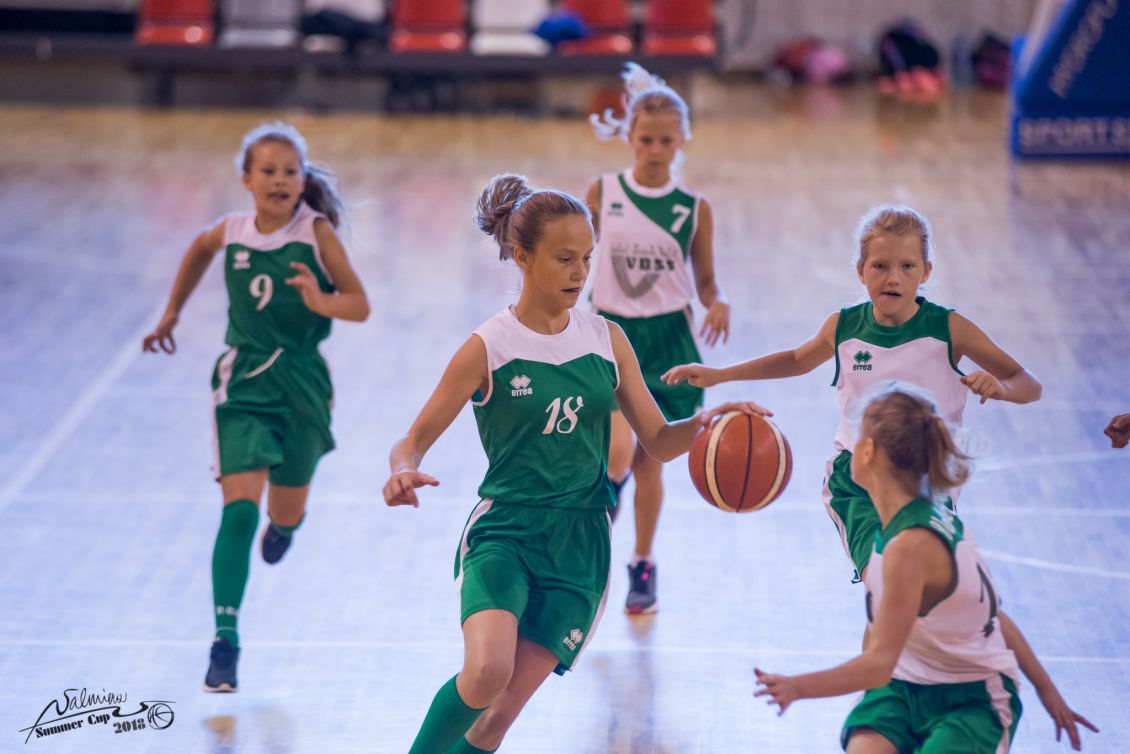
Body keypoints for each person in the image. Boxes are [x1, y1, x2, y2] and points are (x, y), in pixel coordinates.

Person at [383, 173, 765, 754]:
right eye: (564, 259)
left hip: (582, 544)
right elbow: (413, 438)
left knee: (497, 720)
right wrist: (401, 469)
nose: (580, 272)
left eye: (587, 258)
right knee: (486, 674)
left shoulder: (607, 339)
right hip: (507, 530)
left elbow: (659, 441)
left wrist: (709, 424)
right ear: (522, 257)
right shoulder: (488, 346)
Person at [663, 204, 1041, 584]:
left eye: (907, 266)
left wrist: (1002, 388)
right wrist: (720, 375)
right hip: (858, 478)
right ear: (861, 270)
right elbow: (795, 359)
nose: (893, 278)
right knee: (885, 580)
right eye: (880, 266)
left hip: (928, 476)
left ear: (926, 271)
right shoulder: (844, 326)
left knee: (924, 588)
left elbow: (1029, 384)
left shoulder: (950, 329)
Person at [142, 122, 370, 692]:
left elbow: (360, 304)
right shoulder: (232, 231)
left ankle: (287, 525)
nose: (279, 180)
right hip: (243, 382)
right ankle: (225, 642)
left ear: (302, 180)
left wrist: (320, 300)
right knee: (239, 512)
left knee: (284, 510)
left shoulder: (315, 233)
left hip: (302, 383)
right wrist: (172, 312)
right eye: (267, 171)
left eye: (290, 171)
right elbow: (198, 250)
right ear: (246, 179)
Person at [754, 386, 1098, 753]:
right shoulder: (914, 518)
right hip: (903, 686)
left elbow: (878, 664)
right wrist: (1047, 690)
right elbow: (993, 615)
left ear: (867, 452)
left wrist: (797, 687)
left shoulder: (911, 546)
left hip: (971, 699)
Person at [586, 62, 730, 615]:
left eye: (665, 141)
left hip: (670, 344)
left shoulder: (694, 209)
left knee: (652, 463)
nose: (654, 149)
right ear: (629, 137)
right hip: (612, 336)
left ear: (681, 141)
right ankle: (593, 532)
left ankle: (642, 563)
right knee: (617, 452)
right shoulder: (602, 193)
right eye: (645, 139)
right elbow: (574, 256)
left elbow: (706, 281)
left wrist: (718, 302)